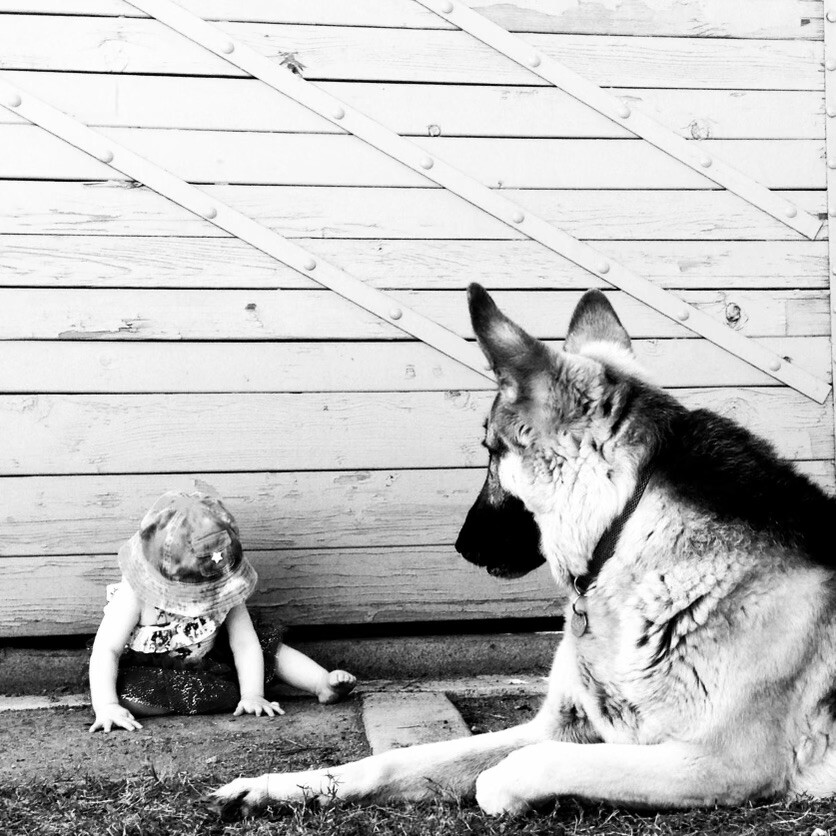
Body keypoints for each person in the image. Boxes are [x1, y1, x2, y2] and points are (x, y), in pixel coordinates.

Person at [88, 490, 356, 733]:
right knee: (132, 695)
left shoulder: (226, 588)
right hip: (154, 669)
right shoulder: (135, 593)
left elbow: (245, 644)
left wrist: (253, 694)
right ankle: (203, 695)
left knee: (270, 650)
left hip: (214, 657)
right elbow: (106, 650)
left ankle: (320, 682)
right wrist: (107, 705)